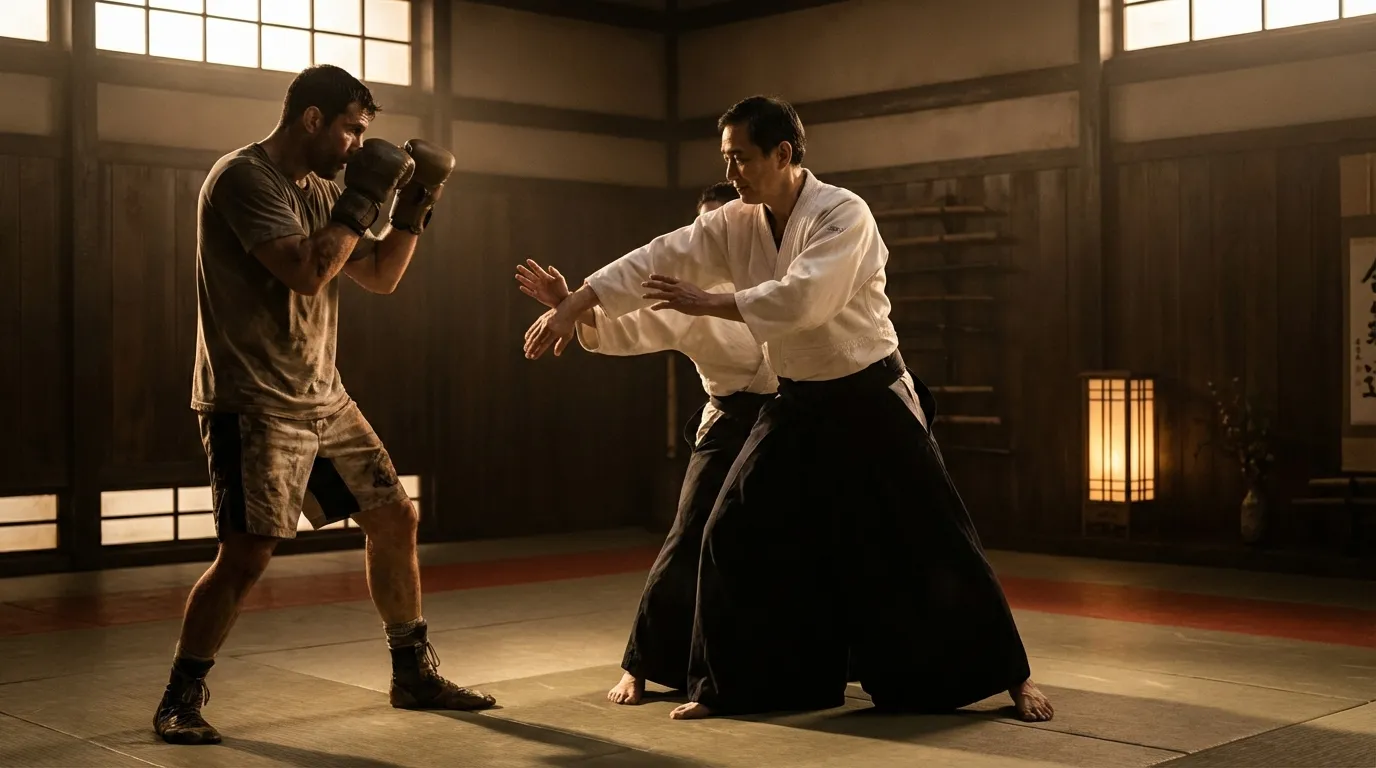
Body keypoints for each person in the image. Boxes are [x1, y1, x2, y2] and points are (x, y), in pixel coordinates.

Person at [523, 95, 1054, 723]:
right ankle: (732, 688)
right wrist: (580, 300)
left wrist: (709, 303)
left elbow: (804, 299)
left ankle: (1011, 678)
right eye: (726, 158)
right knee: (729, 527)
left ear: (785, 153)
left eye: (742, 158)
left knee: (935, 532)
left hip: (869, 392)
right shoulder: (736, 222)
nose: (734, 172)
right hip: (797, 398)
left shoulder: (843, 214)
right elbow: (659, 255)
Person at [155, 65, 495, 746]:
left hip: (322, 396)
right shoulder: (243, 178)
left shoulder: (327, 189)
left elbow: (380, 275)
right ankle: (180, 697)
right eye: (351, 129)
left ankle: (411, 673)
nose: (355, 145)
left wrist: (415, 202)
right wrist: (363, 195)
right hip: (251, 400)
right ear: (312, 118)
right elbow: (307, 274)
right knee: (247, 556)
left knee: (395, 518)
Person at [514, 180, 776, 708]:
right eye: (702, 226)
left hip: (791, 411)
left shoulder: (778, 274)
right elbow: (621, 329)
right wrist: (574, 306)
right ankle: (642, 663)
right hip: (729, 418)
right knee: (689, 535)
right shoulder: (679, 295)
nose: (711, 236)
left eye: (722, 225)